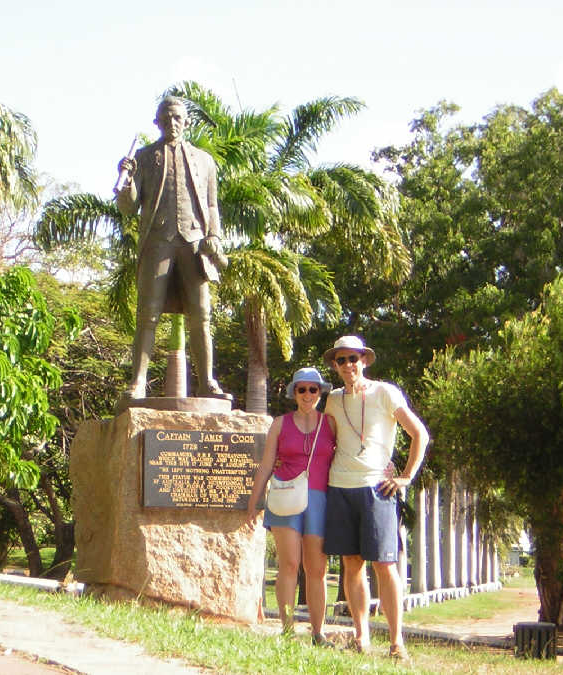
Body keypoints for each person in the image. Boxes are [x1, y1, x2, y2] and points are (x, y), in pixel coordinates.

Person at [321, 335, 429, 661]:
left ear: (364, 360)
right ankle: (361, 636)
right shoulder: (334, 400)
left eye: (353, 358)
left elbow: (419, 434)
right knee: (351, 564)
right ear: (335, 365)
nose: (348, 365)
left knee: (385, 564)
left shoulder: (385, 392)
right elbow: (328, 443)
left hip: (377, 489)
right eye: (341, 360)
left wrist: (405, 477)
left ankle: (397, 643)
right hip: (340, 486)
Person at [115, 96, 227, 401]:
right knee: (147, 314)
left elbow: (213, 204)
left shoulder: (205, 160)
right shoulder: (144, 156)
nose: (171, 123)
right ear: (157, 123)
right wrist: (126, 180)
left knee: (201, 315)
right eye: (165, 119)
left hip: (194, 243)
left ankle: (207, 383)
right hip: (157, 241)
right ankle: (138, 383)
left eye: (177, 118)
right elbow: (128, 207)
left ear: (186, 121)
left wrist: (214, 235)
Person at [248, 367, 337, 645]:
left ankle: (318, 632)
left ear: (320, 392)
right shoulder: (280, 423)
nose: (308, 394)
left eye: (313, 389)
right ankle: (286, 630)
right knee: (288, 564)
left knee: (317, 568)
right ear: (294, 393)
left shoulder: (331, 423)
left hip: (319, 499)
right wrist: (254, 501)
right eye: (302, 389)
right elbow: (265, 464)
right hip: (286, 496)